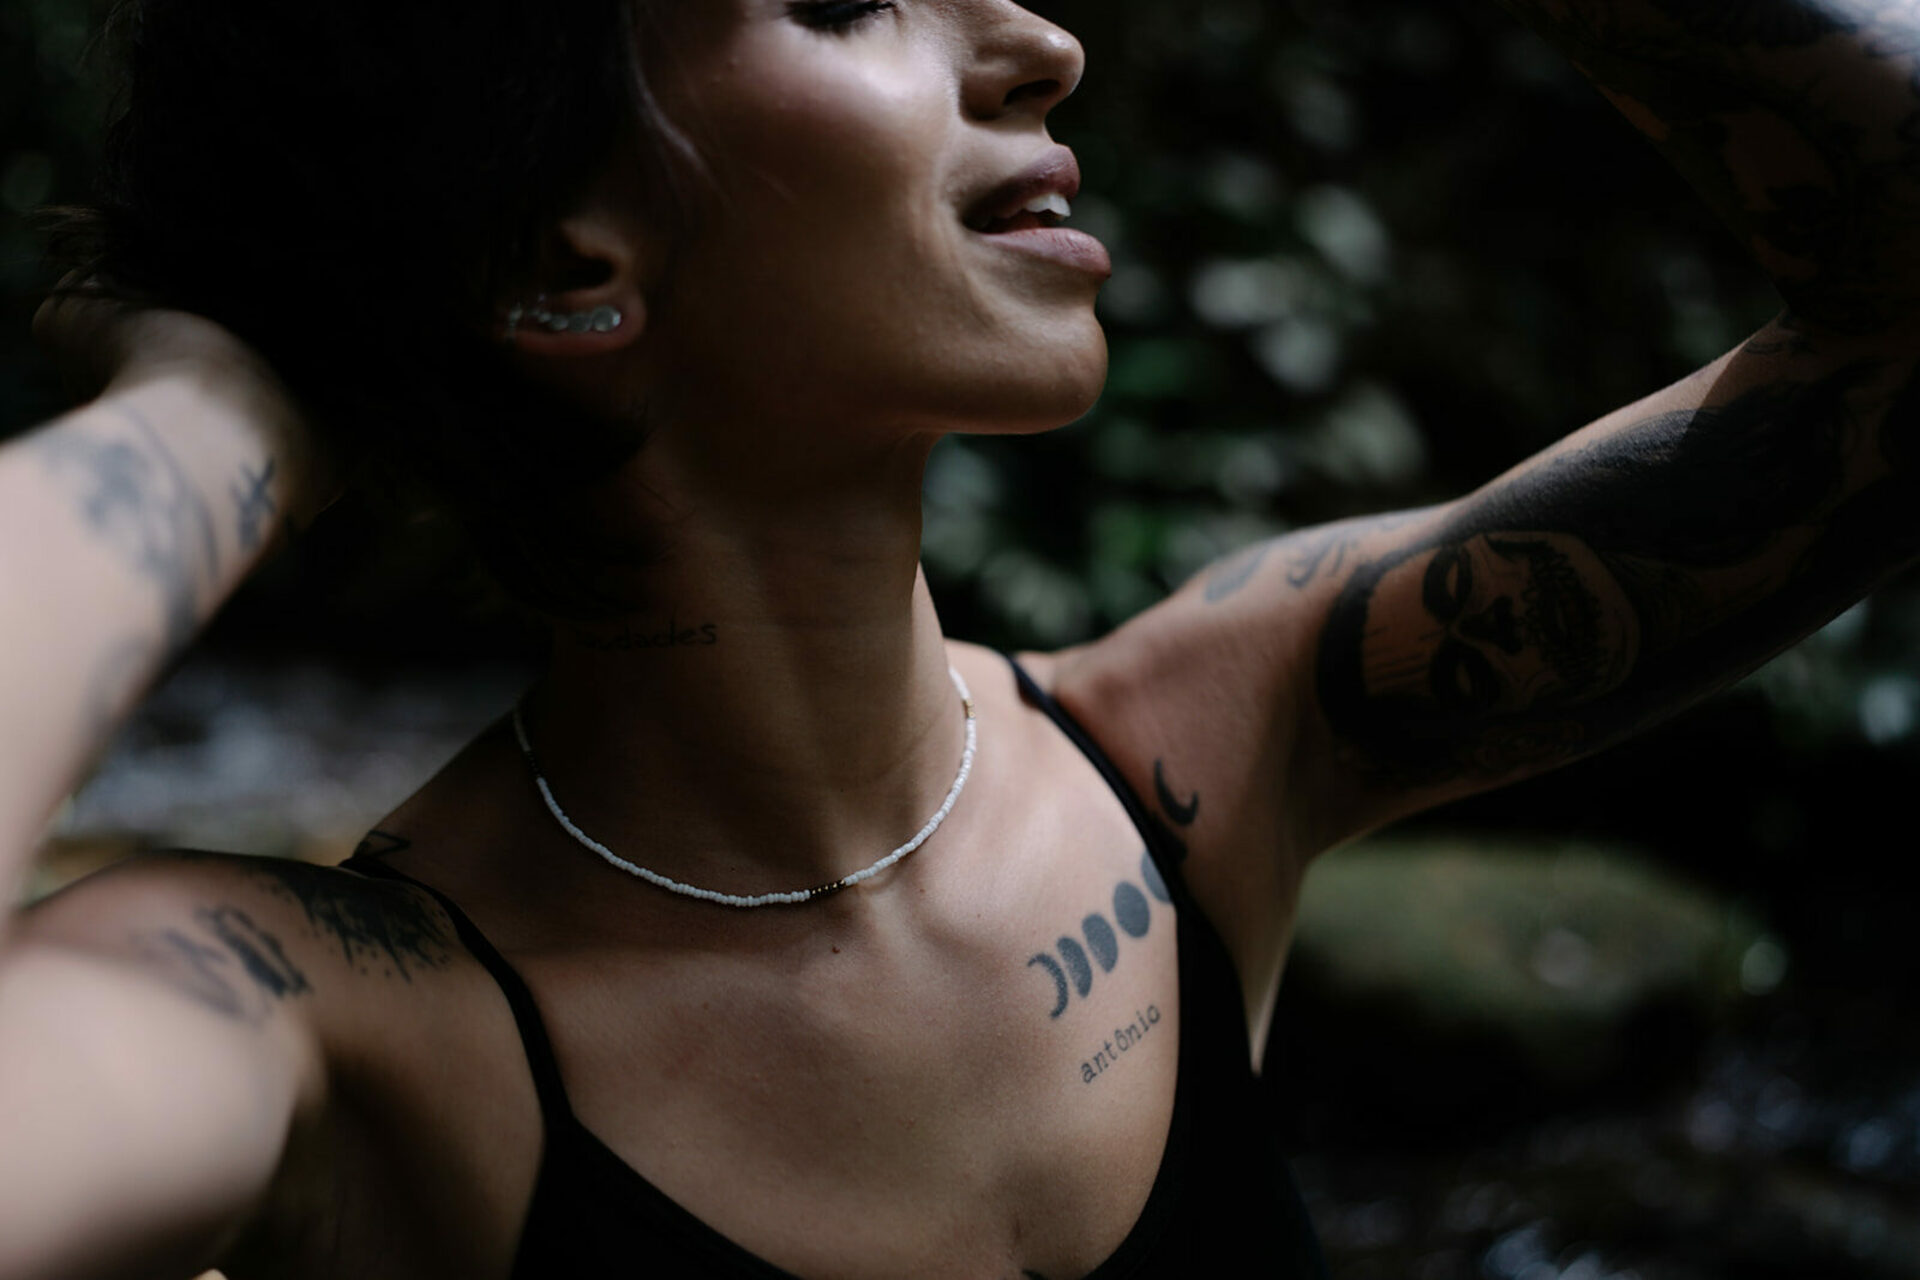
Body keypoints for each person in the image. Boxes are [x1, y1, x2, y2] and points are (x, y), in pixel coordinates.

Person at [3, 0, 1918, 1276]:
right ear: (562, 260)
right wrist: (215, 417)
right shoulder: (344, 1036)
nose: (1041, 42)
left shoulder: (1205, 755)